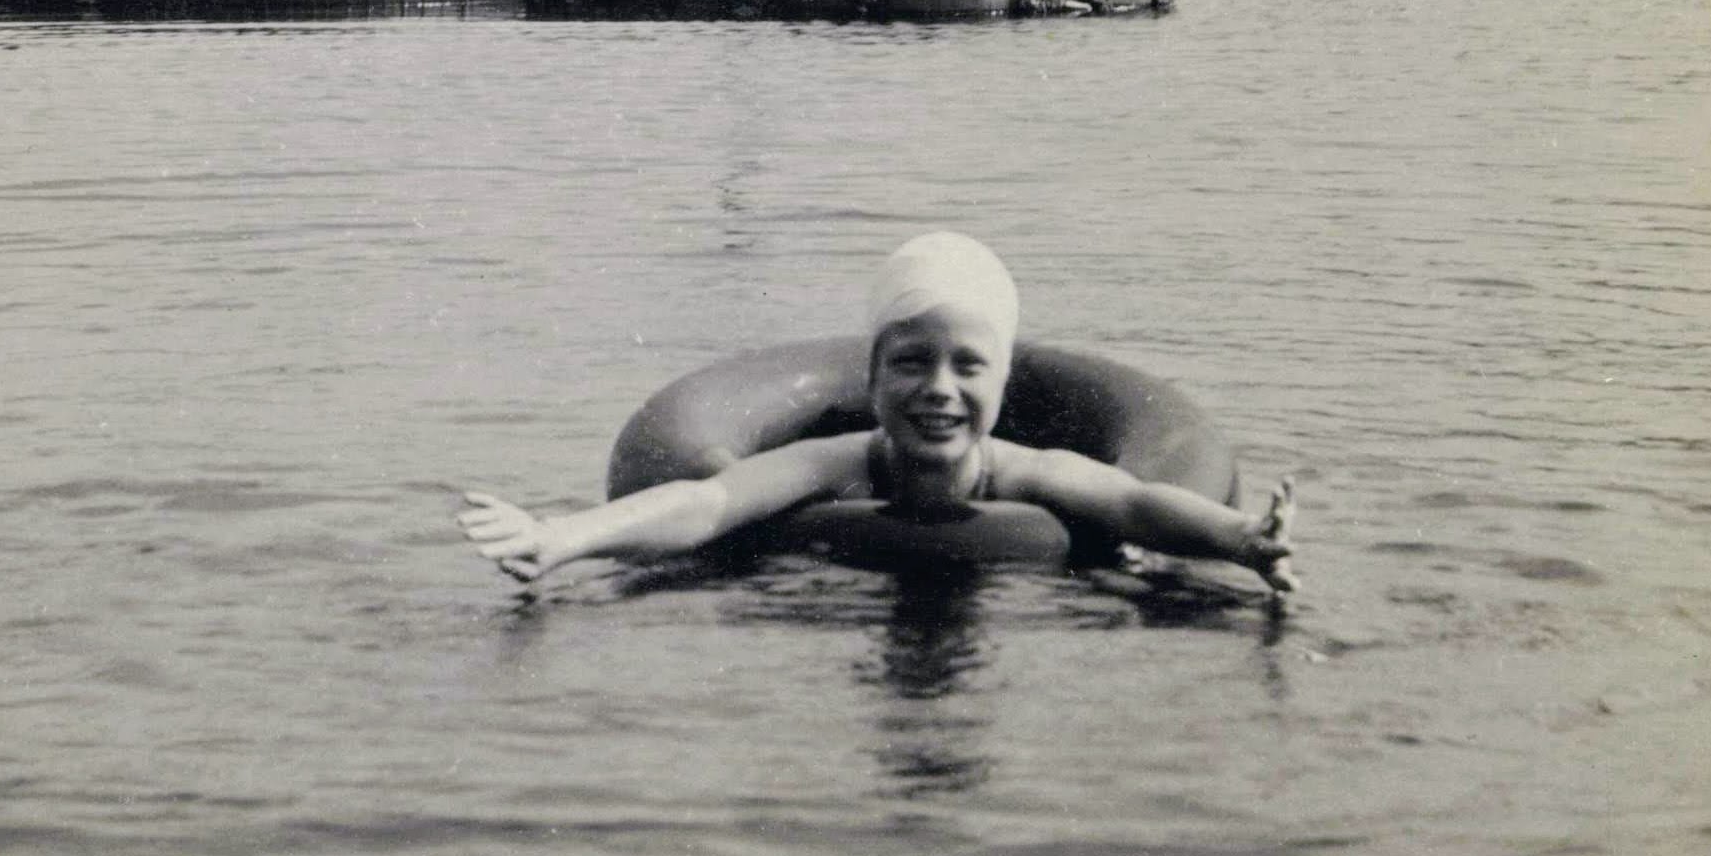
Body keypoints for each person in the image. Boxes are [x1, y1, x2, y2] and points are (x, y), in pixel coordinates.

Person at [458, 232, 1295, 593]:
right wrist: (562, 536)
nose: (939, 389)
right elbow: (711, 501)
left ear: (1002, 387)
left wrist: (1241, 541)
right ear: (870, 378)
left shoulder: (1025, 471)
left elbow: (1134, 502)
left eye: (969, 367)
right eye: (910, 363)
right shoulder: (842, 463)